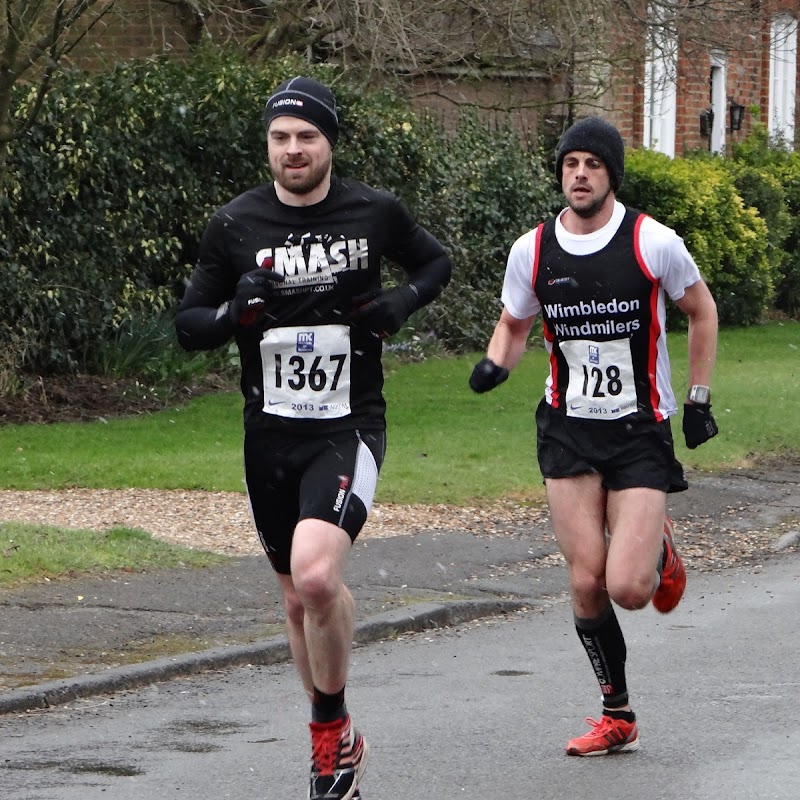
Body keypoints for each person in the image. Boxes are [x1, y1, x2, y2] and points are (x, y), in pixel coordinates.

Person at [175, 76, 452, 799]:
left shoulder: (373, 212)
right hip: (269, 436)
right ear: (267, 145)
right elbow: (188, 326)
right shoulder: (234, 224)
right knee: (299, 599)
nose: (293, 149)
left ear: (329, 142)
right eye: (280, 137)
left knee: (319, 575)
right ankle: (342, 731)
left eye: (306, 136)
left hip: (347, 425)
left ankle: (326, 739)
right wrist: (234, 314)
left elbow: (435, 263)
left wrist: (400, 302)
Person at [469, 116, 718, 757]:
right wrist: (497, 363)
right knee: (586, 581)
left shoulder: (652, 242)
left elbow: (702, 310)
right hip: (568, 429)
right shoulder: (532, 251)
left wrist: (698, 398)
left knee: (628, 589)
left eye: (593, 165)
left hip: (638, 429)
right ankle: (617, 714)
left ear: (612, 176)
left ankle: (657, 547)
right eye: (570, 164)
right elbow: (514, 323)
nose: (579, 175)